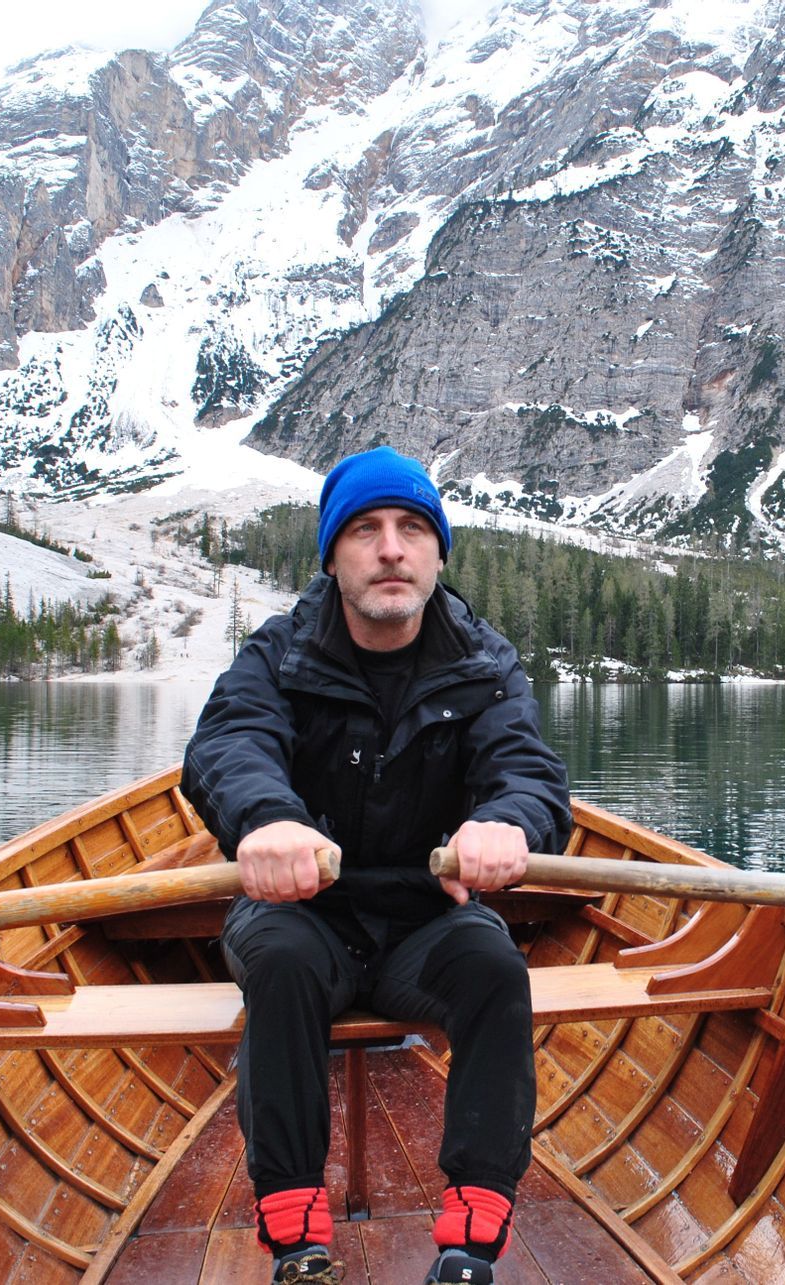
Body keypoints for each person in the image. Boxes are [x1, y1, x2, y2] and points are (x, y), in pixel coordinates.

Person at [183, 446, 571, 1285]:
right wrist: (267, 819)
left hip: (423, 923)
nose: (390, 548)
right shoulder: (280, 653)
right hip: (303, 913)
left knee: (497, 967)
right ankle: (295, 1235)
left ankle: (472, 1234)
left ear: (437, 553)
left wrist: (507, 822)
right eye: (365, 529)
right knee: (280, 962)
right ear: (333, 555)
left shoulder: (484, 661)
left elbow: (528, 771)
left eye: (411, 529)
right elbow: (229, 742)